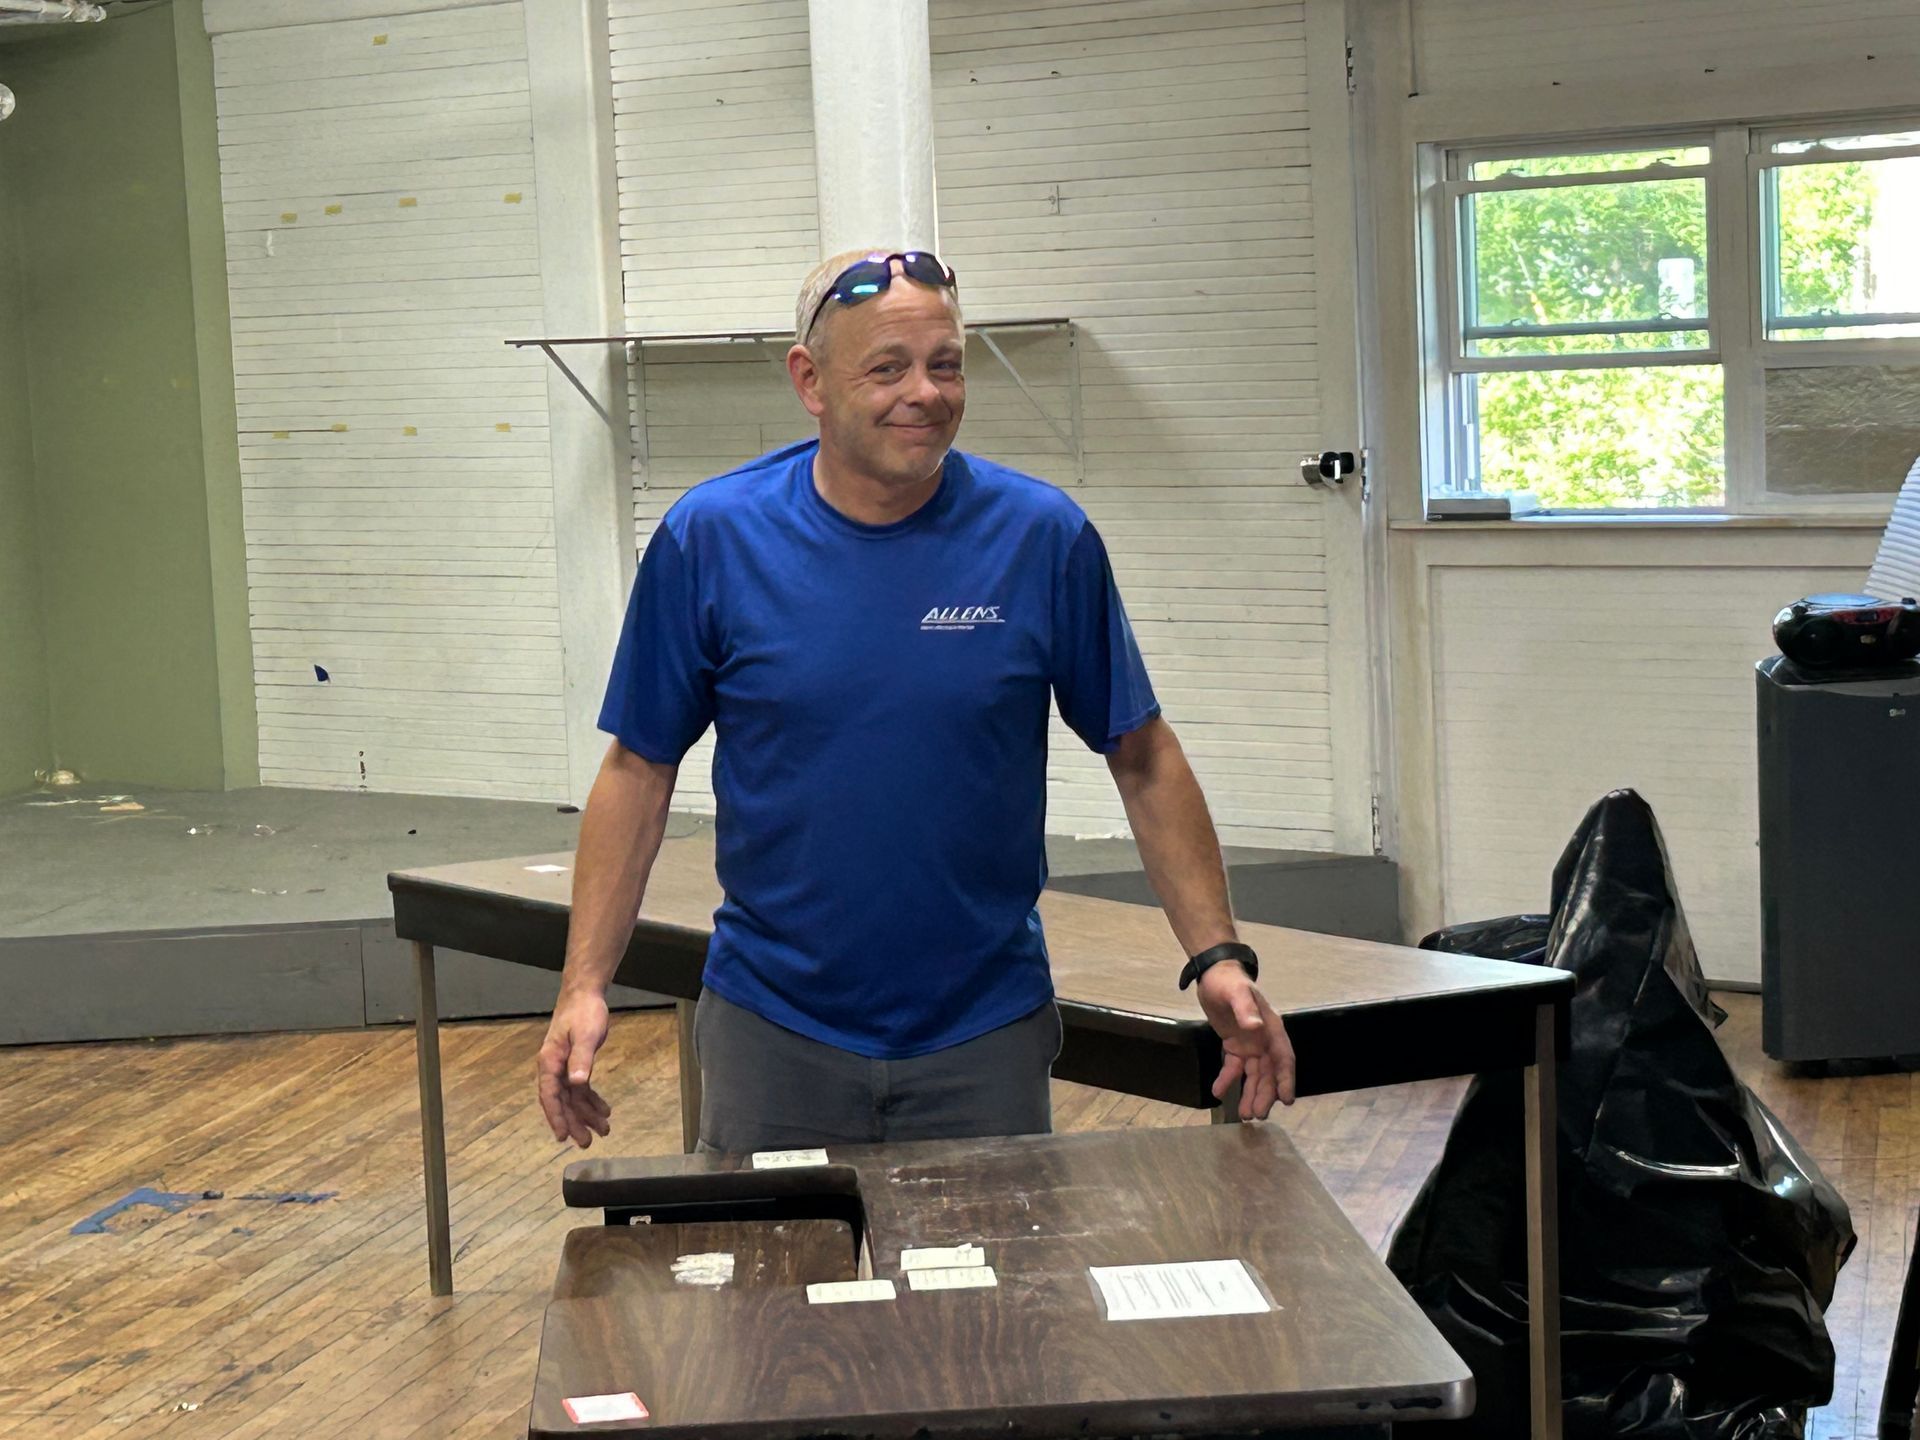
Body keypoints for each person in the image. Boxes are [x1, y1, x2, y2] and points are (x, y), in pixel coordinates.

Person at [535, 247, 1295, 1154]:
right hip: (774, 1030)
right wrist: (584, 983)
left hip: (984, 1035)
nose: (925, 393)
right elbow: (639, 767)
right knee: (770, 1294)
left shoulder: (1042, 538)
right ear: (809, 381)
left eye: (945, 365)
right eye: (887, 367)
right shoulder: (713, 538)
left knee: (988, 1299)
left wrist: (1216, 955)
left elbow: (1143, 754)